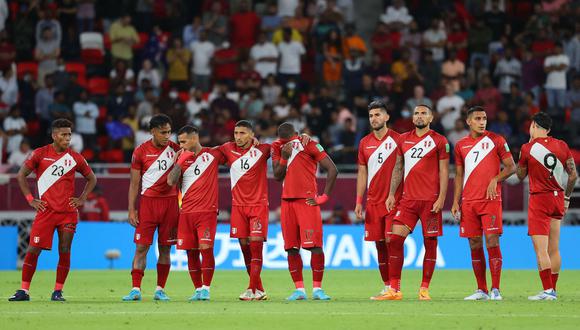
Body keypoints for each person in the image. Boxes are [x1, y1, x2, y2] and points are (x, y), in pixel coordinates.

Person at [8, 119, 97, 302]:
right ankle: (24, 291)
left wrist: (82, 199)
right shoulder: (39, 154)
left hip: (67, 213)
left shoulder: (75, 157)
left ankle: (58, 291)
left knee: (64, 250)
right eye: (64, 134)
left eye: (69, 134)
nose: (68, 138)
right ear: (54, 135)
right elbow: (21, 175)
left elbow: (92, 178)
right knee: (33, 250)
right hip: (45, 211)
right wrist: (31, 200)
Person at [384, 105, 450, 301]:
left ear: (431, 118)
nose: (419, 116)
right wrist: (390, 194)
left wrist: (441, 198)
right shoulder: (403, 139)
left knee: (430, 243)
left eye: (423, 113)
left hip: (430, 200)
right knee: (395, 241)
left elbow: (445, 171)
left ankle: (424, 289)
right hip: (407, 200)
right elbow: (397, 168)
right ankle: (394, 289)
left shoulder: (439, 140)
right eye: (416, 113)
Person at [451, 106, 516, 301]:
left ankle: (496, 289)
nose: (482, 121)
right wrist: (456, 201)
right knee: (474, 243)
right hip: (469, 201)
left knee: (492, 241)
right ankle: (481, 289)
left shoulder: (496, 140)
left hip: (490, 200)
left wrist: (495, 179)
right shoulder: (460, 145)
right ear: (469, 121)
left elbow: (512, 167)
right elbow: (459, 174)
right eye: (478, 118)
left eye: (484, 118)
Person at [271, 122, 338, 300]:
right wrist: (284, 157)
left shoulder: (309, 144)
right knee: (291, 248)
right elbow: (277, 177)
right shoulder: (276, 147)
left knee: (315, 247)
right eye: (285, 141)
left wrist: (324, 197)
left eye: (291, 140)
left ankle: (317, 289)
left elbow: (332, 169)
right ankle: (299, 290)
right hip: (287, 203)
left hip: (307, 202)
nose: (288, 144)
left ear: (297, 134)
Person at [516, 112, 577, 301]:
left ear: (533, 125)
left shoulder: (528, 148)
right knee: (554, 248)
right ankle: (553, 289)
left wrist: (523, 152)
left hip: (540, 199)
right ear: (548, 129)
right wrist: (567, 197)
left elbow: (519, 175)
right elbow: (573, 175)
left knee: (540, 249)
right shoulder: (562, 145)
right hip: (558, 198)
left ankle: (548, 290)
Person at [123, 115, 180, 302]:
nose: (167, 136)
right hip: (148, 204)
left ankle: (160, 289)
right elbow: (134, 183)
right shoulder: (140, 152)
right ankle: (135, 289)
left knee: (165, 249)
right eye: (163, 132)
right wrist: (132, 209)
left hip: (170, 204)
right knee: (141, 248)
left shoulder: (176, 150)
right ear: (152, 131)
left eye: (169, 132)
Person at [167, 125, 225, 301]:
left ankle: (206, 288)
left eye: (183, 141)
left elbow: (236, 148)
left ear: (194, 138)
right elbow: (170, 181)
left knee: (206, 249)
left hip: (207, 212)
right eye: (179, 142)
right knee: (190, 252)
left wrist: (252, 140)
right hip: (186, 212)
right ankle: (198, 289)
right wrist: (179, 161)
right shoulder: (180, 158)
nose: (181, 145)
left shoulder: (213, 154)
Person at [217, 120, 270, 300]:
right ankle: (259, 289)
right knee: (245, 248)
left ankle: (251, 289)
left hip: (258, 206)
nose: (238, 137)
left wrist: (304, 137)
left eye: (242, 133)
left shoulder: (263, 149)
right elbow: (206, 154)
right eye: (236, 133)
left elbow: (283, 146)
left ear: (251, 134)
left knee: (255, 247)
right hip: (238, 207)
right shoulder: (227, 148)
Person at [354, 101, 402, 300]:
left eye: (377, 115)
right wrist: (358, 200)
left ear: (386, 117)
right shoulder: (364, 142)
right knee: (379, 244)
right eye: (371, 115)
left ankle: (395, 288)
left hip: (394, 200)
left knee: (392, 241)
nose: (374, 118)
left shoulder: (399, 140)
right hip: (373, 202)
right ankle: (387, 286)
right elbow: (362, 173)